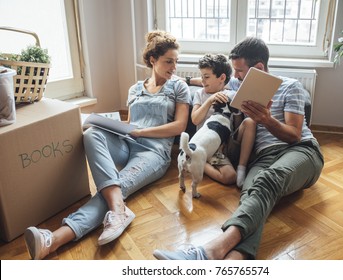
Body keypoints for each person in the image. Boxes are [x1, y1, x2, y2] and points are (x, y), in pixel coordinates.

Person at [23, 30, 191, 260]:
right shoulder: (135, 89)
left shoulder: (178, 87)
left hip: (154, 153)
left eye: (176, 62)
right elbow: (130, 123)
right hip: (128, 142)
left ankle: (54, 240)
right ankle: (119, 210)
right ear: (153, 60)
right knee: (92, 134)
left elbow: (179, 126)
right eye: (168, 61)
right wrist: (113, 125)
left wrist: (141, 132)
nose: (174, 67)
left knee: (114, 189)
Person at [153, 37, 324, 260]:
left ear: (259, 68)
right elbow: (210, 82)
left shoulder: (291, 87)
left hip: (301, 152)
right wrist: (182, 79)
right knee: (251, 197)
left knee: (265, 181)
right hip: (262, 158)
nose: (235, 77)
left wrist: (267, 120)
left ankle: (207, 253)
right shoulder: (237, 85)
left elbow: (293, 135)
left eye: (240, 71)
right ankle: (235, 262)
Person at [191, 53, 256, 187]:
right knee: (229, 177)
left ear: (222, 78)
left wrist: (236, 111)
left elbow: (236, 126)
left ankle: (241, 168)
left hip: (225, 144)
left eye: (206, 77)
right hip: (208, 145)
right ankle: (194, 160)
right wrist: (210, 100)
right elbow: (195, 120)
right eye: (202, 76)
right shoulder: (200, 94)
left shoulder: (232, 95)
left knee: (250, 122)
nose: (202, 81)